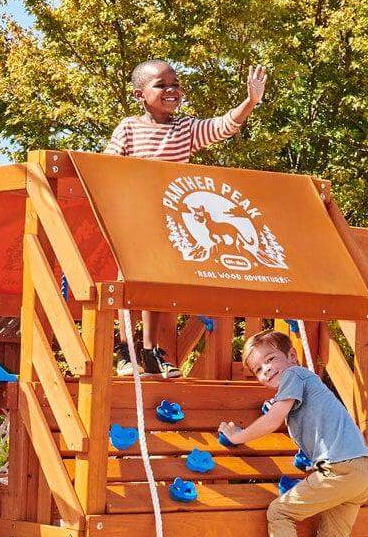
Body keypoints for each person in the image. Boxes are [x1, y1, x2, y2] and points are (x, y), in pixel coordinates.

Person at [105, 59, 268, 374]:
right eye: (161, 85)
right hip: (134, 217)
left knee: (156, 287)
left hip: (168, 220)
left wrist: (249, 102)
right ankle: (127, 353)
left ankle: (152, 352)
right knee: (128, 285)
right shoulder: (129, 127)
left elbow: (221, 126)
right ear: (140, 95)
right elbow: (109, 163)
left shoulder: (185, 128)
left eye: (175, 84)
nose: (171, 90)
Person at [220, 328, 368, 537]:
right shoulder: (303, 387)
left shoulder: (296, 376)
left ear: (292, 356)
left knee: (280, 512)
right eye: (259, 369)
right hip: (361, 471)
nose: (267, 370)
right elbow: (310, 424)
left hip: (341, 470)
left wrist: (238, 435)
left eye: (271, 359)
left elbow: (274, 420)